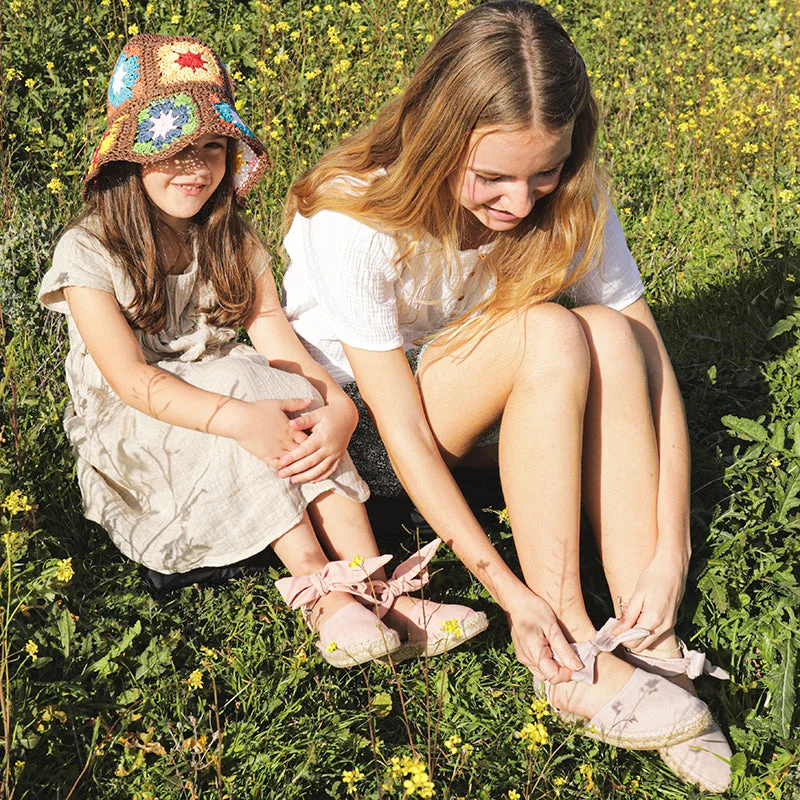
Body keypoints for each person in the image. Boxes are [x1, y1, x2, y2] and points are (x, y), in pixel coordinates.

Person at [281, 1, 731, 790]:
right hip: (368, 437)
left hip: (492, 405)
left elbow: (652, 362)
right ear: (433, 133)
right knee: (549, 331)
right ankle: (566, 646)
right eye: (490, 178)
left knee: (608, 331)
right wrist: (509, 592)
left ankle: (645, 631)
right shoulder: (351, 213)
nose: (520, 205)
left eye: (543, 172)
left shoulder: (571, 194)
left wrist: (673, 549)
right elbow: (406, 434)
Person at [39, 34, 487, 670]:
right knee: (249, 386)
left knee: (279, 387)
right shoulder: (89, 250)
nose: (196, 167)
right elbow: (131, 379)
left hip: (235, 399)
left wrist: (337, 408)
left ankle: (374, 586)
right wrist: (239, 415)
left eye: (212, 148)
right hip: (140, 427)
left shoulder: (228, 236)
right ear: (129, 159)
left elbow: (275, 332)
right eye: (172, 150)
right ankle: (320, 593)